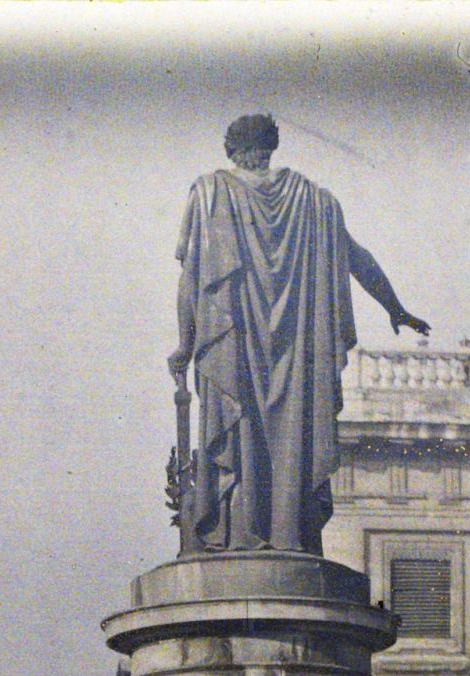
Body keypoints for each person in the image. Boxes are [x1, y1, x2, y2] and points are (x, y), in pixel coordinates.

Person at [168, 112, 430, 556]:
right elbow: (357, 258)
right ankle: (290, 534)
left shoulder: (211, 193)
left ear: (231, 149)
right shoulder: (316, 202)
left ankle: (238, 536)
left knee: (240, 435)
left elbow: (193, 281)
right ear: (271, 146)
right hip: (295, 366)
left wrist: (185, 345)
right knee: (293, 444)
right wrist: (395, 307)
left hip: (236, 356)